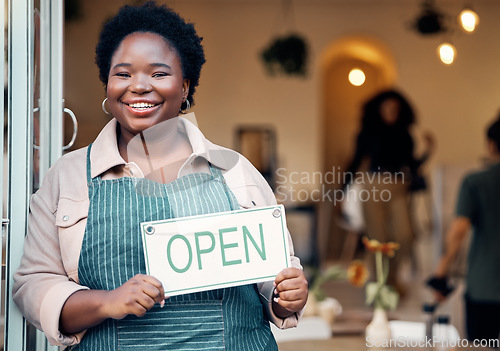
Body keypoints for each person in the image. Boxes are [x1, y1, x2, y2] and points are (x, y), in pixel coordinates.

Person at [13, 2, 308, 349]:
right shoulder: (68, 177)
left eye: (158, 73)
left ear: (184, 87)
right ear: (107, 84)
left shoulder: (235, 171)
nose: (139, 86)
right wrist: (107, 302)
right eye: (123, 74)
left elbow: (275, 277)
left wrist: (286, 295)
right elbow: (33, 285)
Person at [342, 89, 434, 294]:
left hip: (398, 187)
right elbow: (356, 162)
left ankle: (391, 279)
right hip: (372, 186)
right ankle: (381, 285)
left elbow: (412, 165)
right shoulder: (367, 134)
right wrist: (342, 192)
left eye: (395, 109)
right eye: (387, 108)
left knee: (405, 235)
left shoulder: (405, 135)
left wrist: (428, 151)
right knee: (378, 239)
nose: (391, 112)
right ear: (379, 110)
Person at [429, 117, 500, 342]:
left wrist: (440, 272)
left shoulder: (475, 182)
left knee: (480, 347)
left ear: (491, 144)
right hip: (485, 287)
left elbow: (459, 230)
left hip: (485, 287)